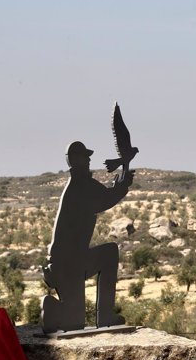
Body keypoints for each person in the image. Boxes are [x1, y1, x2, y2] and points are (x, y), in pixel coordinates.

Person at [41, 141, 134, 333]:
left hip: (70, 260)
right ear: (75, 160)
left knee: (74, 321)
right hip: (70, 262)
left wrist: (120, 186)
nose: (89, 159)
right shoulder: (80, 185)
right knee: (109, 254)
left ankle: (98, 315)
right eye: (85, 156)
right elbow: (106, 199)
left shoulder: (79, 184)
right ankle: (102, 315)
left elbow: (105, 196)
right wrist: (122, 185)